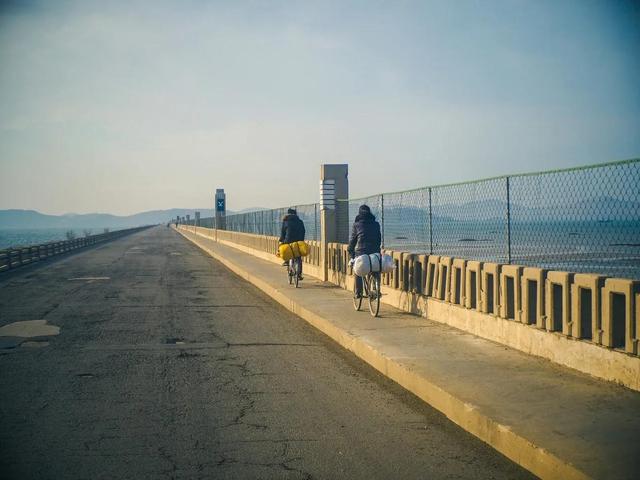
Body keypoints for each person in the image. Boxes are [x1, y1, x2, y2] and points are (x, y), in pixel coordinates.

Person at [348, 204, 382, 298]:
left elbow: (353, 240)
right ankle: (376, 289)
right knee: (375, 269)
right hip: (375, 252)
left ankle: (358, 292)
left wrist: (350, 250)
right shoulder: (376, 224)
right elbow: (379, 239)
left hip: (361, 252)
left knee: (358, 270)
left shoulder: (356, 225)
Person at [278, 208, 306, 279]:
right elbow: (303, 231)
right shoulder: (300, 221)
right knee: (298, 256)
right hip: (299, 241)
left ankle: (287, 261)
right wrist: (302, 240)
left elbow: (283, 232)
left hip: (288, 240)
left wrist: (281, 240)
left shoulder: (285, 221)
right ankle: (299, 274)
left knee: (285, 250)